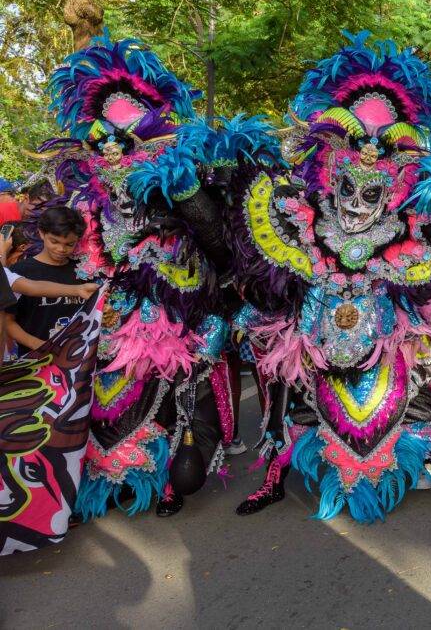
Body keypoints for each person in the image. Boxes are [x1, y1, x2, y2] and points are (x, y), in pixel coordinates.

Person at [229, 31, 431, 523]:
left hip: (384, 327)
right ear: (331, 172)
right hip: (315, 326)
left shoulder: (414, 220)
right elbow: (258, 251)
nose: (357, 202)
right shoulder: (300, 209)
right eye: (348, 187)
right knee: (290, 389)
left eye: (371, 194)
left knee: (418, 391)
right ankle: (275, 474)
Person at [34, 33, 276, 520]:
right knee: (108, 398)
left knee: (173, 400)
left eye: (130, 142)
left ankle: (165, 475)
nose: (116, 153)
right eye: (105, 141)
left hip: (178, 314)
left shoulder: (183, 182)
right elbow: (63, 254)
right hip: (108, 316)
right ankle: (111, 475)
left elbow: (223, 249)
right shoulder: (86, 197)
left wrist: (184, 196)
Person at [3, 207, 95, 354]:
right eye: (54, 241)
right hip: (33, 361)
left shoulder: (83, 272)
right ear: (41, 233)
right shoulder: (21, 271)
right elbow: (7, 322)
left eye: (69, 244)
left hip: (74, 358)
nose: (61, 249)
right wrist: (38, 345)